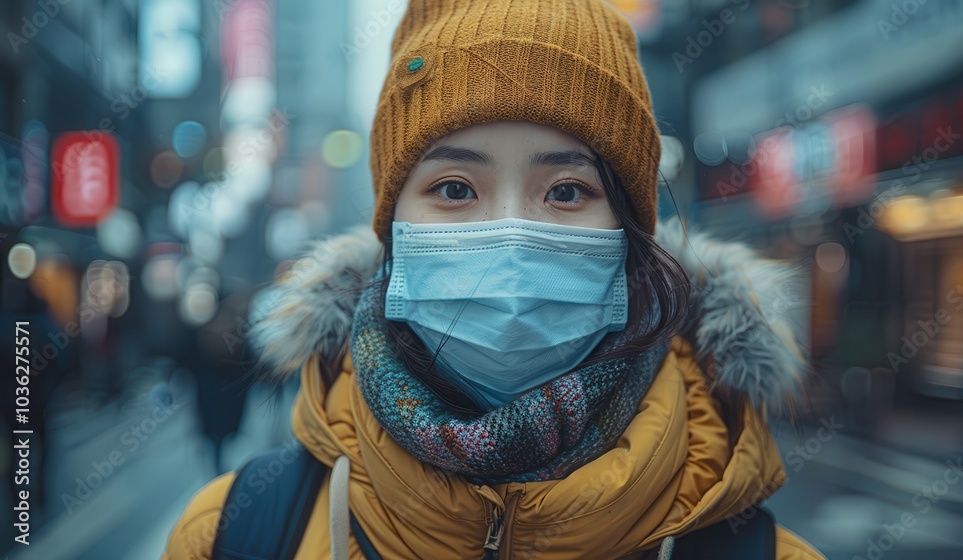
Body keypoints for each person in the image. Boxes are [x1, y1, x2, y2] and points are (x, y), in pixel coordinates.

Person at [164, 0, 826, 558]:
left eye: (567, 191)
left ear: (629, 235)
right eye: (455, 186)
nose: (511, 236)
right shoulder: (232, 533)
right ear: (391, 226)